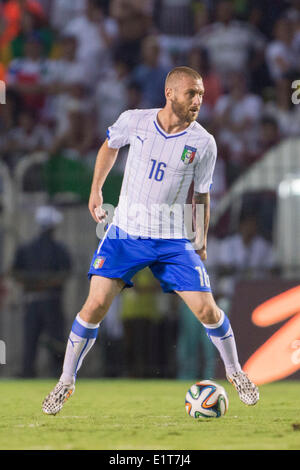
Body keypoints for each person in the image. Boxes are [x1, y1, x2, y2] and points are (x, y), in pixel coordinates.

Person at [42, 66, 259, 415]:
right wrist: (96, 189)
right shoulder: (135, 121)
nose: (199, 101)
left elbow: (201, 196)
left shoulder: (203, 142)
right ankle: (66, 381)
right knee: (94, 306)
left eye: (201, 94)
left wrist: (199, 239)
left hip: (172, 239)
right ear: (170, 92)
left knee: (207, 309)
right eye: (192, 93)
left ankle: (235, 372)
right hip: (126, 232)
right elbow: (109, 146)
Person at [12, 205, 72, 377]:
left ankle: (29, 373)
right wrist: (46, 282)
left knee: (35, 341)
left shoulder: (26, 248)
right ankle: (58, 375)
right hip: (51, 300)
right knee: (54, 341)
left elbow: (15, 273)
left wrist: (34, 283)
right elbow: (64, 274)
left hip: (34, 300)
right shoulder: (59, 249)